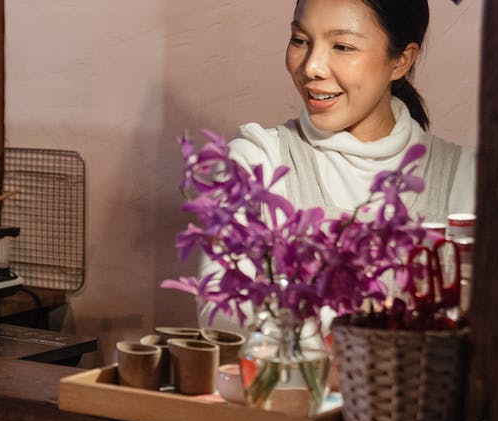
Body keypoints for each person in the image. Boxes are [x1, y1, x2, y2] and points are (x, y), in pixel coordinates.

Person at [200, 0, 475, 331]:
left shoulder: (467, 178)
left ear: (402, 60)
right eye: (300, 40)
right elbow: (219, 312)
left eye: (342, 46)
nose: (312, 67)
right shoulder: (257, 161)